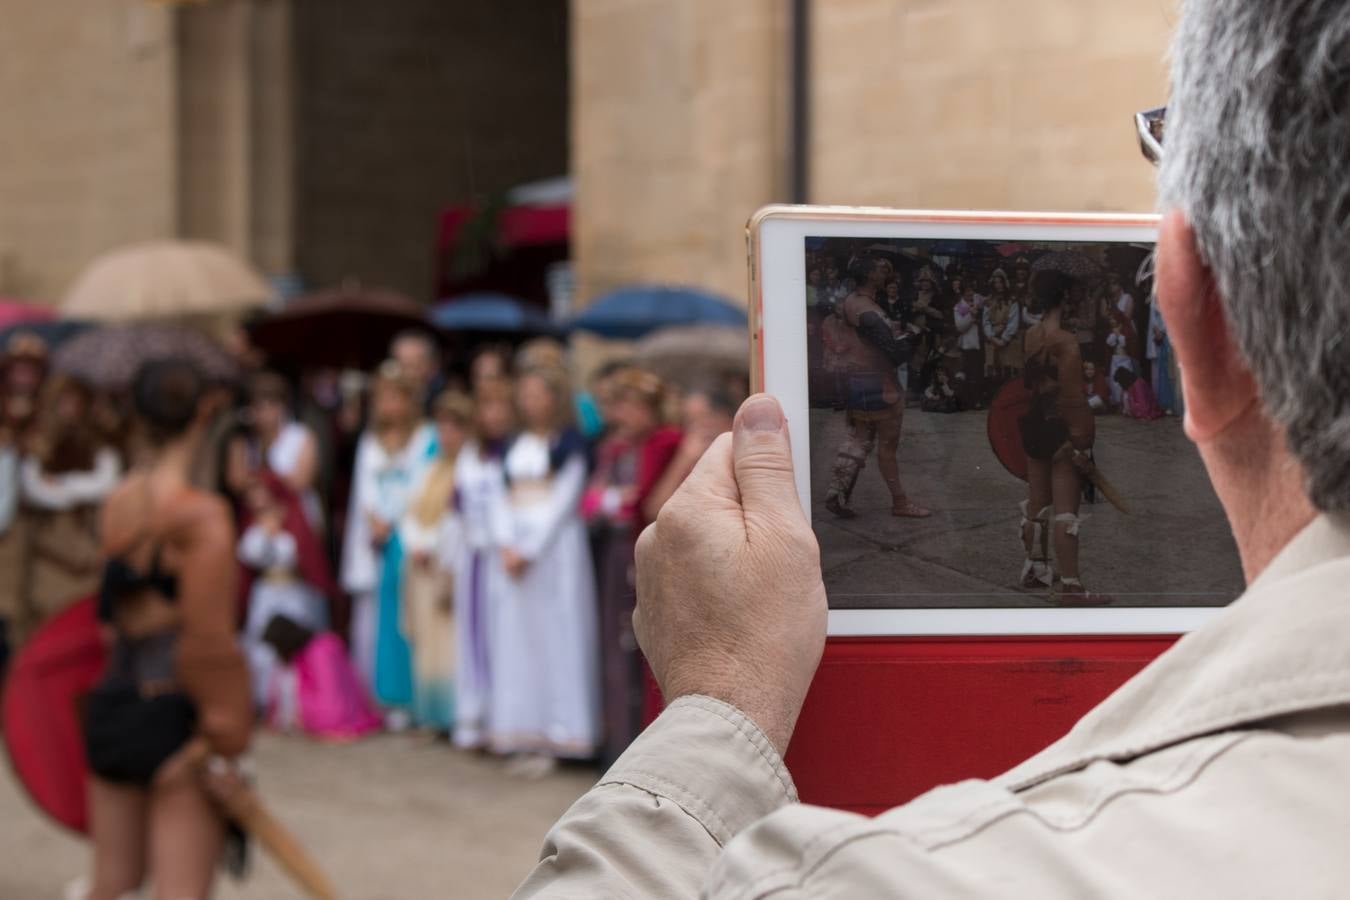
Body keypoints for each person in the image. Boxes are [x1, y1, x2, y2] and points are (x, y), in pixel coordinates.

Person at [518, 6, 1350, 895]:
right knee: (1031, 494)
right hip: (982, 418)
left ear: (1195, 319)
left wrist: (715, 710)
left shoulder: (956, 876)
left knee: (1028, 496)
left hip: (976, 421)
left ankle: (1041, 570)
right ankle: (1045, 571)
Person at [82, 359, 252, 900]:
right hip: (176, 715)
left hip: (113, 704)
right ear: (204, 413)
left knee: (111, 884)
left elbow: (113, 617)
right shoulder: (202, 517)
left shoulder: (117, 502)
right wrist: (225, 739)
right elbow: (208, 644)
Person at [492, 367, 598, 773]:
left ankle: (560, 732)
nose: (531, 402)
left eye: (539, 394)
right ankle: (524, 728)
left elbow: (564, 499)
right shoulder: (513, 444)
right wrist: (505, 542)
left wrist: (530, 549)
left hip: (553, 551)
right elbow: (500, 494)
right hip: (515, 546)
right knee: (520, 638)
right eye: (526, 394)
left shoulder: (569, 443)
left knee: (557, 634)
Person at [581, 368, 681, 765]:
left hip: (648, 553)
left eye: (628, 405)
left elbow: (642, 502)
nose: (620, 415)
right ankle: (617, 744)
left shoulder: (666, 442)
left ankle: (647, 750)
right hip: (615, 554)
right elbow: (589, 504)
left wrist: (613, 501)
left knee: (644, 648)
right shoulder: (615, 448)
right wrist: (609, 501)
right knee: (615, 646)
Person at [339, 361, 436, 722]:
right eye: (383, 398)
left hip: (410, 536)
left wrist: (394, 518)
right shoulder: (370, 441)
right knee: (384, 618)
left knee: (409, 614)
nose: (388, 406)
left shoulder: (426, 438)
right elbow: (364, 488)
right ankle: (387, 696)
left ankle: (415, 697)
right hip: (379, 538)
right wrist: (374, 520)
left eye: (396, 397)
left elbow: (422, 484)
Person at [820, 254, 930, 520]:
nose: (886, 273)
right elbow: (892, 352)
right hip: (879, 383)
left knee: (859, 439)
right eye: (881, 270)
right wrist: (912, 336)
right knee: (887, 446)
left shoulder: (855, 302)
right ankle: (900, 502)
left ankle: (838, 491)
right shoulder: (865, 309)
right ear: (869, 275)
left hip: (860, 380)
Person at [1017, 271, 1104, 602]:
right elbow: (1072, 398)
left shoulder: (1031, 335)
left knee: (1037, 504)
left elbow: (1032, 385)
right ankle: (1071, 586)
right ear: (1065, 297)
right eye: (1075, 295)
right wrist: (1081, 441)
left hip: (1035, 424)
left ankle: (1036, 573)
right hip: (1061, 431)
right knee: (1066, 509)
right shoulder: (1065, 341)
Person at [20, 373, 122, 627]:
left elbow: (106, 483)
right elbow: (36, 490)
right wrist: (72, 491)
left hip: (88, 552)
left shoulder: (97, 440)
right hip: (50, 553)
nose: (71, 409)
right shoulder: (39, 441)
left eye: (76, 402)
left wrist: (64, 484)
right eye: (64, 402)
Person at [400, 389, 472, 734]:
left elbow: (456, 520)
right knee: (426, 642)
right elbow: (410, 509)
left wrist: (431, 547)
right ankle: (429, 713)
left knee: (449, 641)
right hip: (421, 565)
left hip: (445, 565)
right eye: (442, 428)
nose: (447, 436)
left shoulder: (467, 469)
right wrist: (415, 543)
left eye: (454, 428)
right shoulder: (430, 467)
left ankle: (451, 714)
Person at [451, 376, 515, 749]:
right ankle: (473, 716)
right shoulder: (469, 453)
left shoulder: (511, 452)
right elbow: (457, 505)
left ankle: (499, 718)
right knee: (473, 637)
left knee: (498, 638)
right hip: (472, 556)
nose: (491, 414)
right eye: (486, 406)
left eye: (499, 406)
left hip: (500, 557)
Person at [237, 474, 333, 710]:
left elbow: (302, 555)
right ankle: (265, 700)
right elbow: (248, 555)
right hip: (266, 594)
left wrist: (279, 534)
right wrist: (265, 536)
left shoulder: (295, 516)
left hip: (293, 593)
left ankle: (299, 702)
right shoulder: (253, 524)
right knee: (262, 646)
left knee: (295, 643)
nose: (257, 498)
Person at [982, 267, 1022, 383]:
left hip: (1008, 341)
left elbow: (1013, 322)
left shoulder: (1012, 300)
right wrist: (991, 336)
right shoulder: (988, 301)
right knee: (993, 375)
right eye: (995, 283)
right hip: (992, 339)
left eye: (1000, 282)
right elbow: (985, 321)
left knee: (1009, 375)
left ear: (1005, 283)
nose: (998, 285)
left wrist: (1004, 340)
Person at [952, 278, 985, 407]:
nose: (970, 294)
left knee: (979, 372)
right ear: (962, 293)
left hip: (980, 341)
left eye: (971, 291)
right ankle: (969, 400)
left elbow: (986, 302)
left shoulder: (977, 300)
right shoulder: (959, 307)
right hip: (968, 343)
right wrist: (971, 317)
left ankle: (978, 399)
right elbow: (960, 326)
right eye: (967, 292)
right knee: (969, 372)